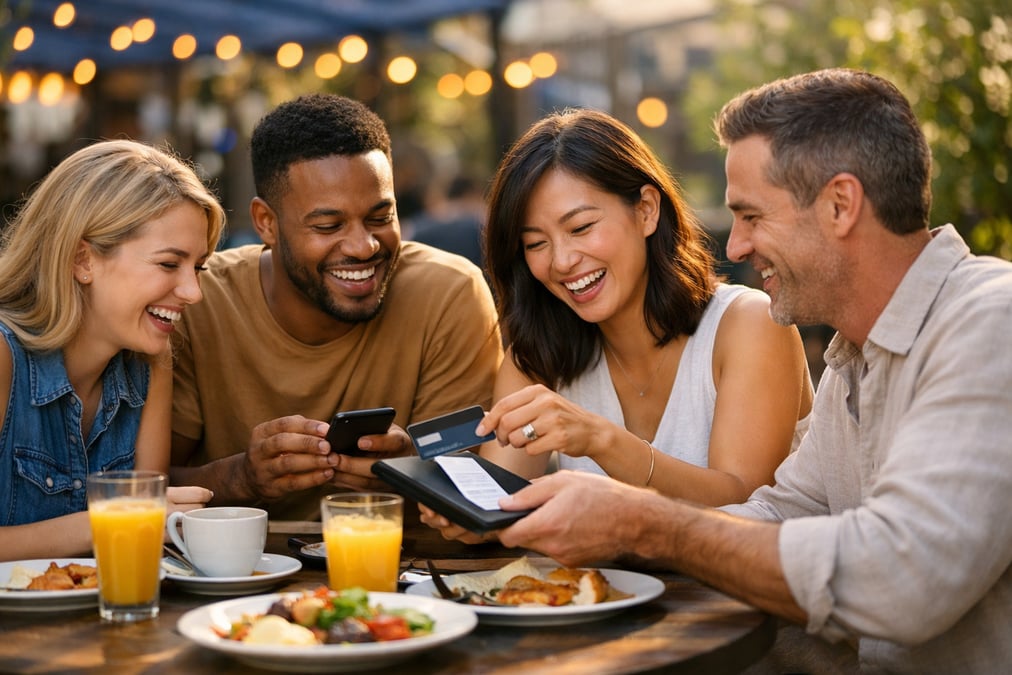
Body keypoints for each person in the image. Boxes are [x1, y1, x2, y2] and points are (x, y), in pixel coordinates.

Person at [485, 69, 1012, 672]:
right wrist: (615, 521)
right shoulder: (853, 362)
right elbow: (772, 514)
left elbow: (902, 580)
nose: (733, 247)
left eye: (752, 217)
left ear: (840, 205)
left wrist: (644, 522)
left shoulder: (990, 321)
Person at [421, 108, 813, 542]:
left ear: (646, 210)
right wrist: (440, 492)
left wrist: (601, 440)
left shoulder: (748, 324)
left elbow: (743, 503)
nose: (562, 261)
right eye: (536, 243)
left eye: (582, 227)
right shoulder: (539, 356)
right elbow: (495, 509)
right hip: (597, 601)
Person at [169, 94, 502, 520]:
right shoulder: (199, 298)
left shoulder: (449, 293)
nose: (364, 246)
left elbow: (477, 485)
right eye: (329, 226)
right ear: (266, 223)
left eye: (381, 217)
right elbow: (143, 485)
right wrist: (241, 477)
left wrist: (410, 472)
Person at [0, 139, 225, 561]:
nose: (193, 292)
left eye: (198, 267)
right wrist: (111, 520)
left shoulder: (150, 363)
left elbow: (142, 541)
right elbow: (135, 522)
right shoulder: (3, 356)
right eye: (168, 264)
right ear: (82, 259)